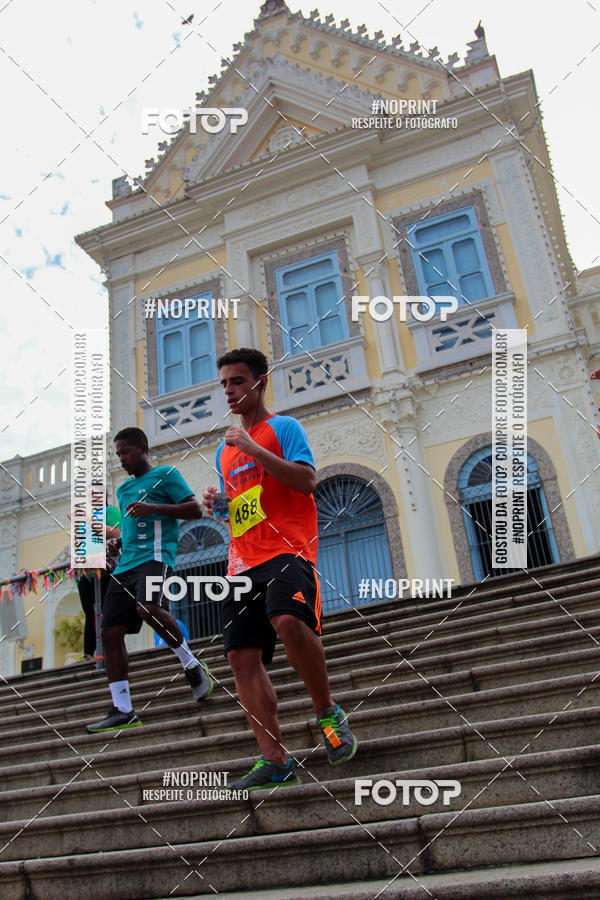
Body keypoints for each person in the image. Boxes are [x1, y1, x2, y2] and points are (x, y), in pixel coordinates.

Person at [202, 348, 357, 791]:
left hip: (289, 549)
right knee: (239, 656)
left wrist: (253, 447)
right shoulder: (224, 453)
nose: (229, 391)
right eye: (224, 384)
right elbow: (248, 511)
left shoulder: (283, 428)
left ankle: (328, 713)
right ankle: (274, 758)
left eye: (237, 381)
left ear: (260, 382)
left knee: (287, 620)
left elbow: (306, 482)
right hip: (241, 563)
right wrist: (223, 508)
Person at [86, 427, 213, 733]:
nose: (122, 459)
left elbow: (194, 510)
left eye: (126, 452)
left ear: (142, 448)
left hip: (156, 557)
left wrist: (154, 507)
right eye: (118, 454)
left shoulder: (166, 474)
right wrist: (118, 544)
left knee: (147, 608)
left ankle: (191, 664)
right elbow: (130, 528)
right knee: (110, 632)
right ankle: (123, 708)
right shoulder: (123, 489)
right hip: (126, 563)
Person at [74, 495, 121, 660]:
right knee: (89, 611)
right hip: (85, 569)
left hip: (105, 566)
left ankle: (110, 649)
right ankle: (88, 653)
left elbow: (117, 532)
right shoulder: (83, 518)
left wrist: (90, 522)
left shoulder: (110, 511)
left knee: (106, 608)